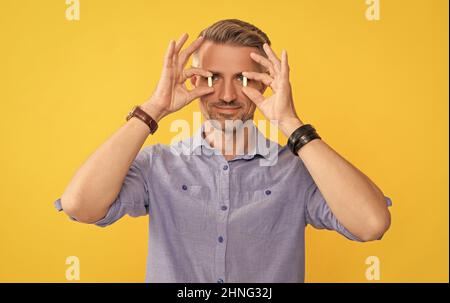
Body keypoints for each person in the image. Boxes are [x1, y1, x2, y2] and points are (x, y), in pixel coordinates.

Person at [54, 19, 392, 283]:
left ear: (266, 82)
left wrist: (290, 123)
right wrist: (154, 108)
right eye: (213, 77)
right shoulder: (159, 166)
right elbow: (80, 205)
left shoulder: (298, 171)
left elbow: (371, 224)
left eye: (244, 80)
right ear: (193, 80)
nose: (227, 95)